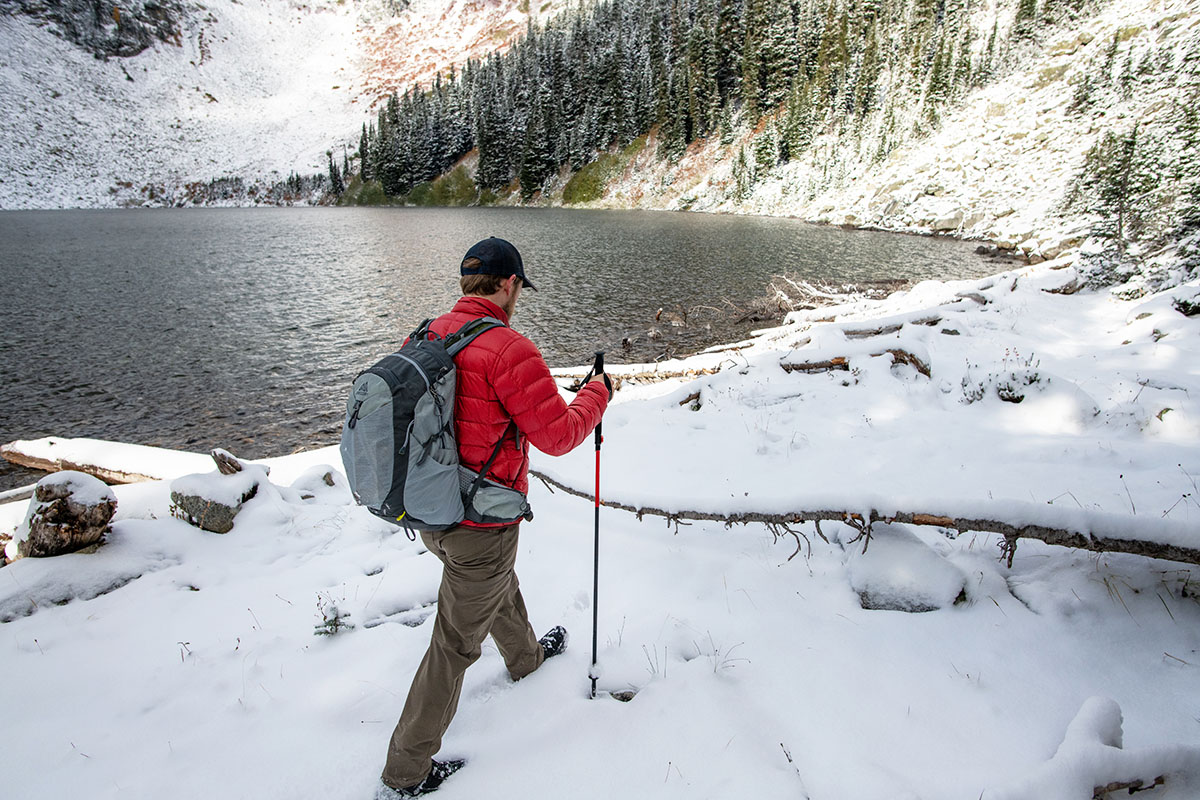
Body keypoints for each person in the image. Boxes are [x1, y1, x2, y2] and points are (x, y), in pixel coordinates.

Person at [377, 237, 611, 798]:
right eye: (518, 288)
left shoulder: (430, 333)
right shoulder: (509, 349)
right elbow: (556, 435)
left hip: (432, 513)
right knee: (455, 643)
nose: (518, 298)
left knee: (489, 583)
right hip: (481, 521)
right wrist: (597, 395)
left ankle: (527, 659)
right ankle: (405, 772)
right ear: (508, 284)